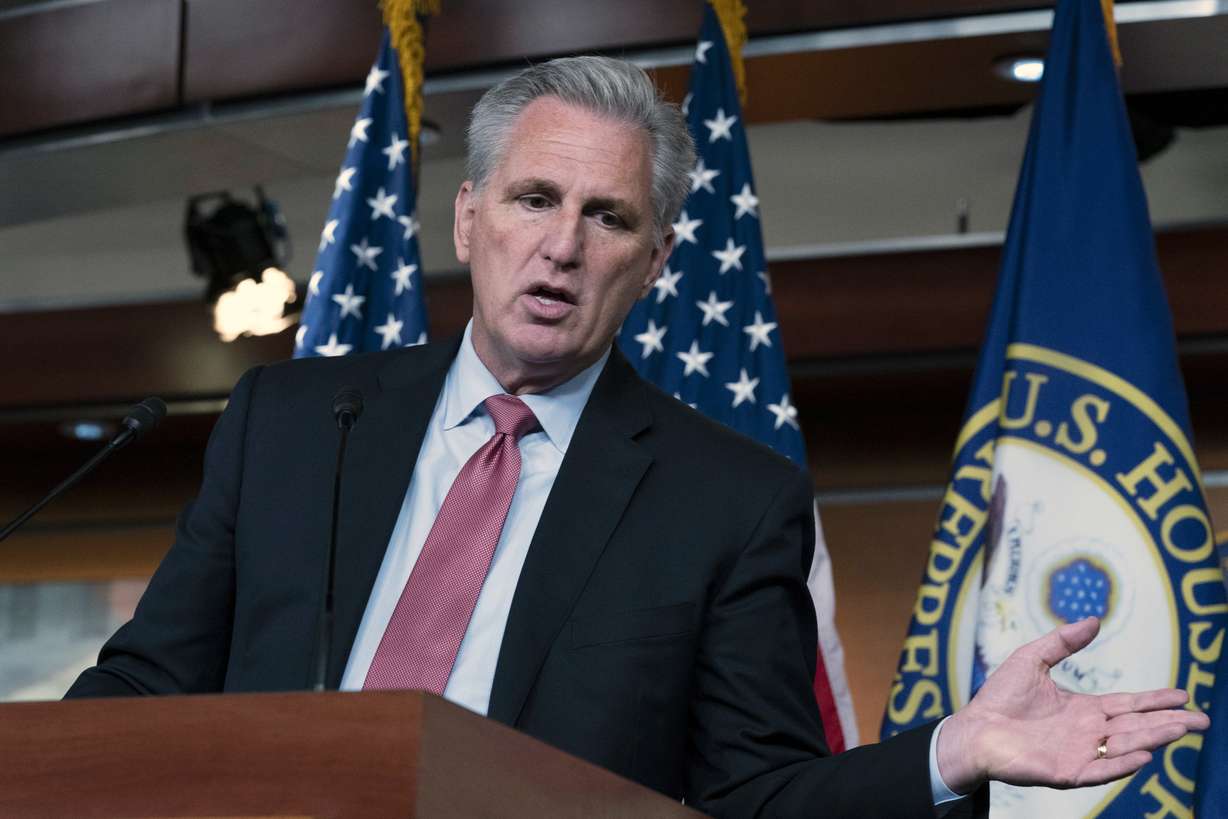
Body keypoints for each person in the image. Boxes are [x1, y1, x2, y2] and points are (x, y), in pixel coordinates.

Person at [66, 56, 1207, 816]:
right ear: (469, 219)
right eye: (533, 200)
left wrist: (952, 753)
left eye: (607, 216)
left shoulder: (727, 500)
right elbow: (146, 687)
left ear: (654, 263)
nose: (562, 245)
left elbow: (756, 794)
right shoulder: (292, 426)